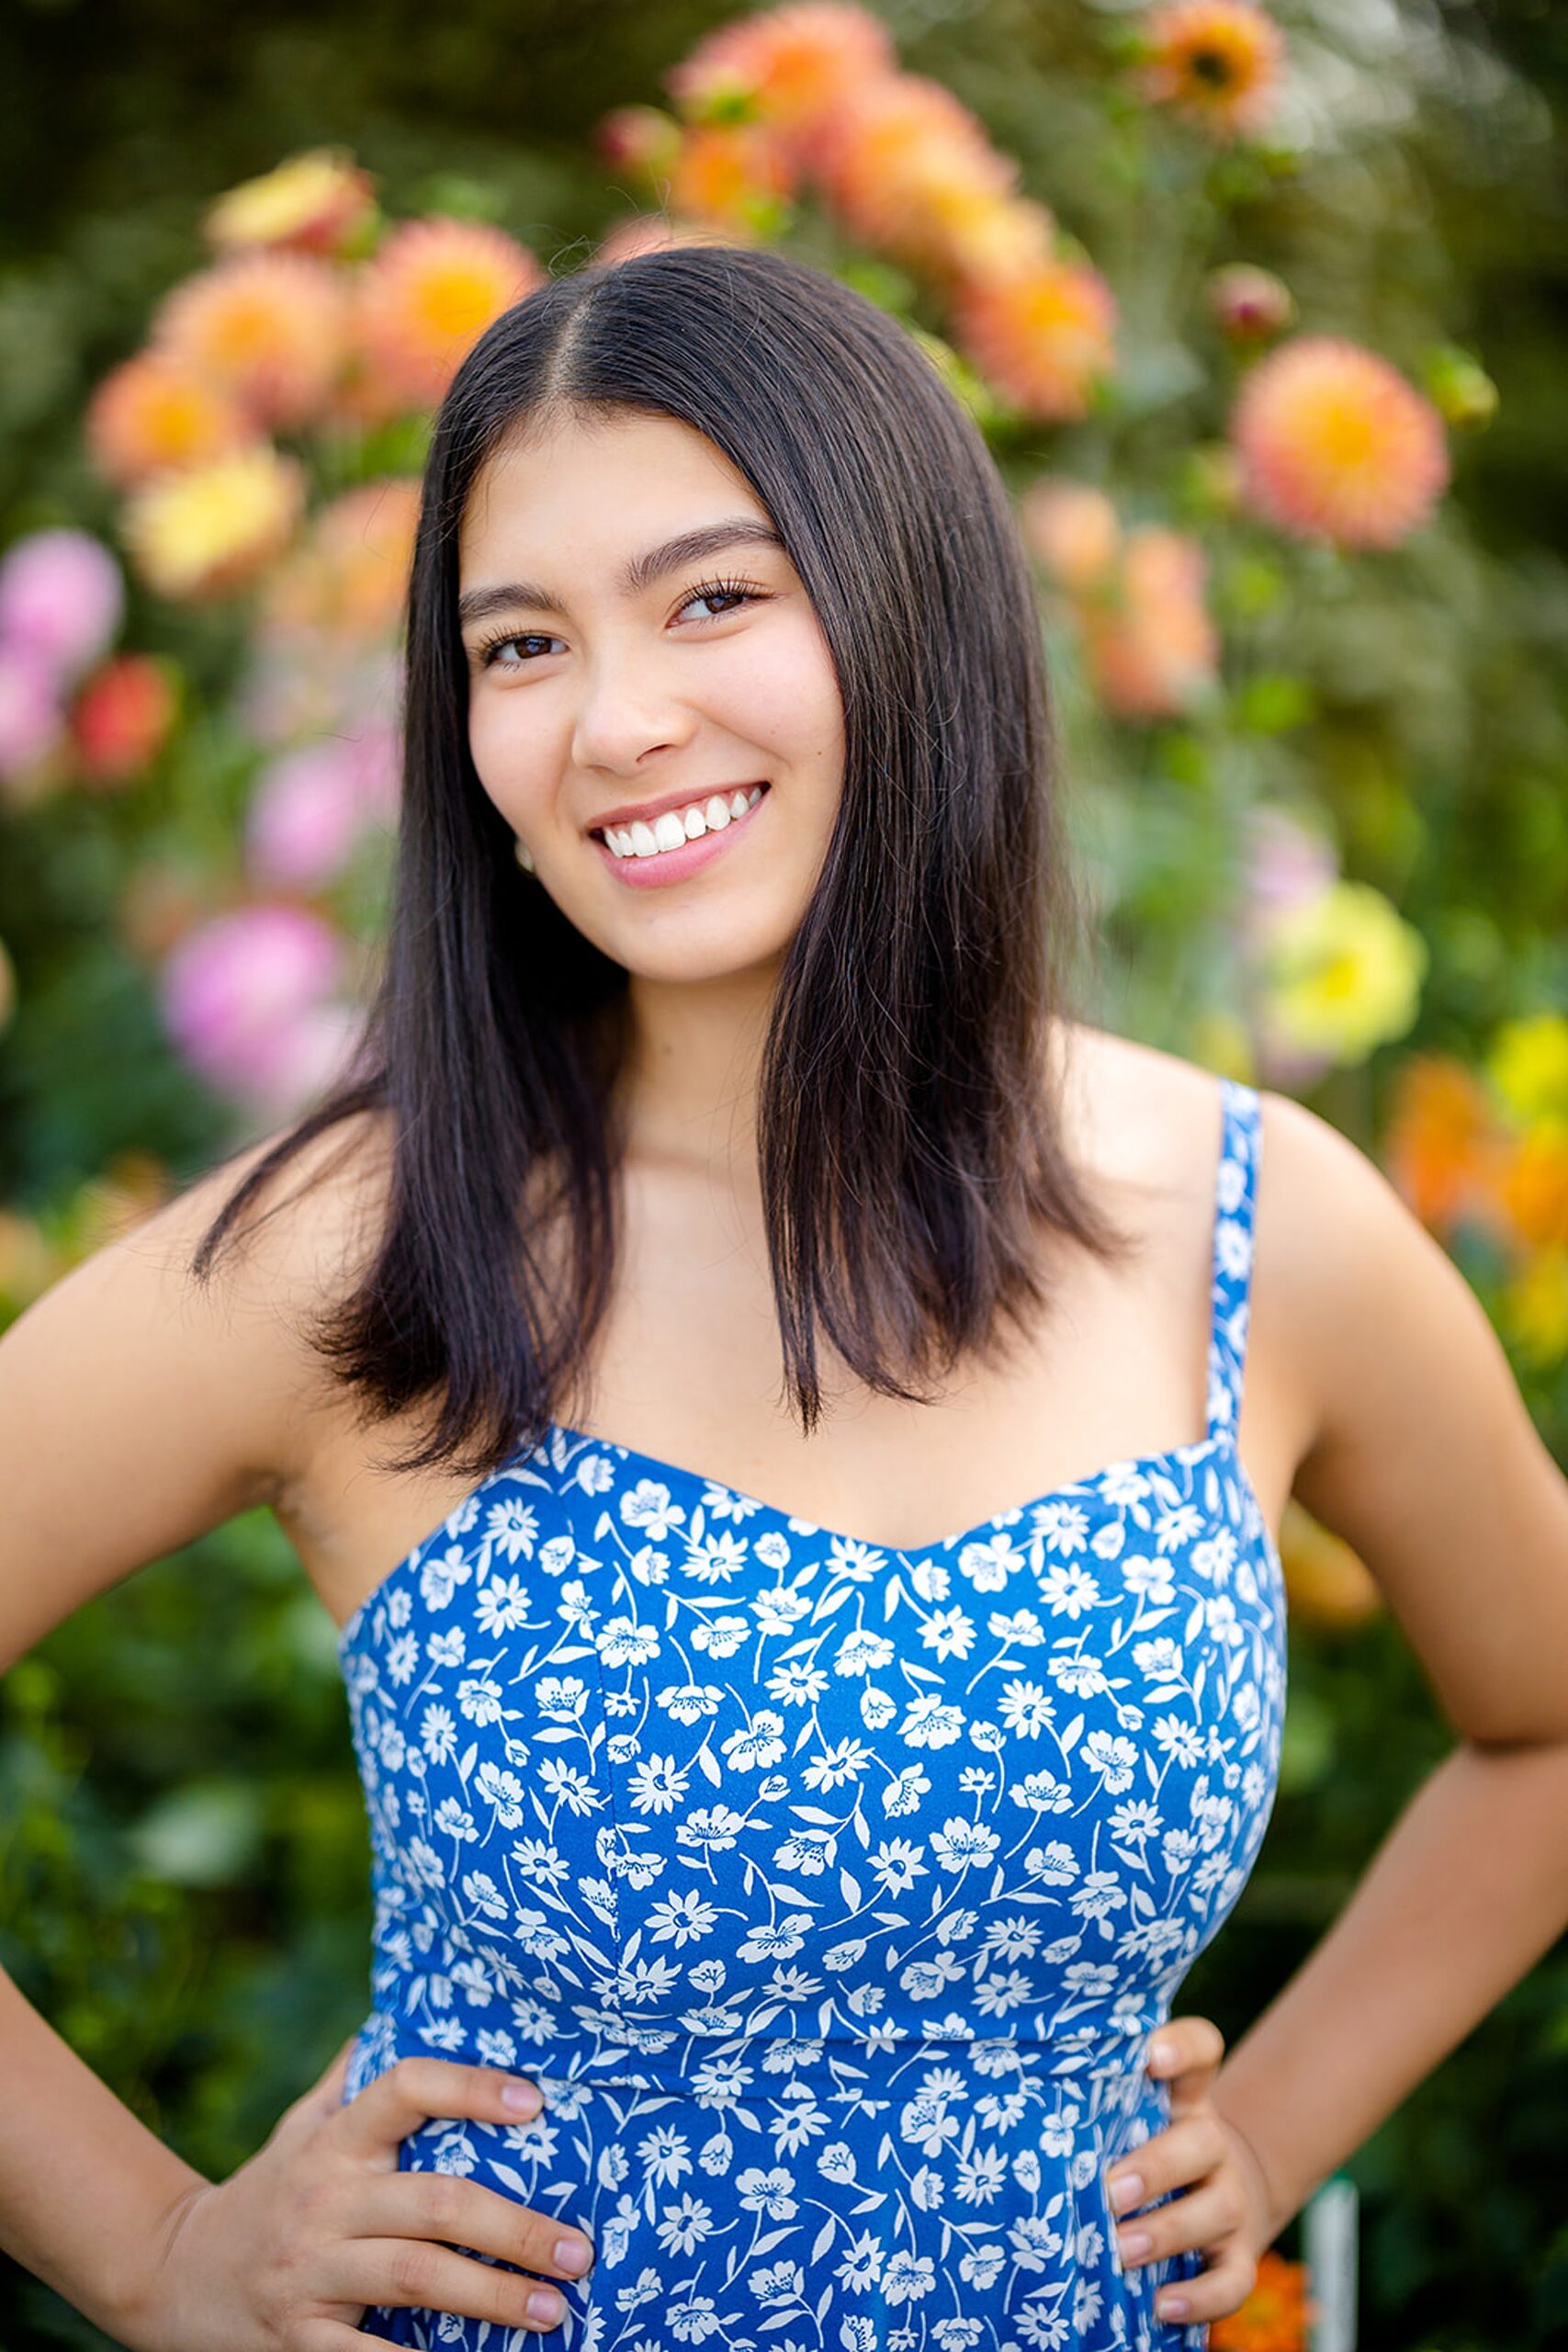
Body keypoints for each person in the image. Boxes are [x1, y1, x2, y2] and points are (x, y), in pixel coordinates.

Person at [4, 242, 1568, 2352]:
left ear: (904, 609)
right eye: (520, 641)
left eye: (713, 595)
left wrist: (1277, 2126)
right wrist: (157, 2245)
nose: (619, 716)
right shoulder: (365, 1250)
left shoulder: (1246, 1220)